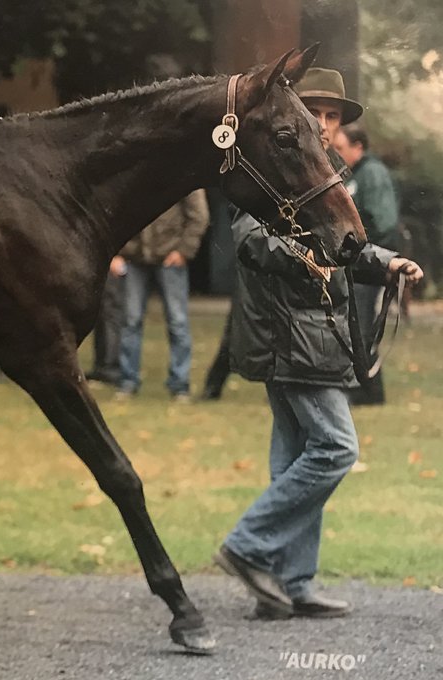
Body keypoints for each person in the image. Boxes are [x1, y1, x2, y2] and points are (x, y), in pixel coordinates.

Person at [213, 67, 425, 620]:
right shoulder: (267, 169)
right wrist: (308, 259)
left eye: (333, 116)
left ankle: (289, 584)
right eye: (317, 113)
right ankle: (248, 547)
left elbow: (346, 246)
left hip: (312, 337)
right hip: (292, 338)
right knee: (336, 449)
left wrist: (388, 262)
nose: (325, 124)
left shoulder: (322, 175)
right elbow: (251, 241)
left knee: (292, 463)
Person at [115, 190, 209, 400]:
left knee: (177, 321)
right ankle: (128, 381)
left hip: (169, 257)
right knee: (131, 320)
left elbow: (199, 215)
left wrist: (183, 251)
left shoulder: (183, 173)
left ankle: (179, 384)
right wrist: (117, 252)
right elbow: (117, 210)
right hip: (134, 257)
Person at [333, 124, 400, 405]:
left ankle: (365, 390)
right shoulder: (355, 174)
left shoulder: (372, 173)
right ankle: (369, 390)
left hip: (369, 263)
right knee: (358, 324)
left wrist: (366, 252)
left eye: (340, 148)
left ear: (358, 148)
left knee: (359, 325)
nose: (335, 153)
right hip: (359, 261)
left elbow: (383, 221)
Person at [86, 271, 124, 385]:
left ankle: (110, 368)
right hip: (103, 270)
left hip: (114, 271)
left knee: (110, 315)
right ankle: (101, 366)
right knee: (101, 316)